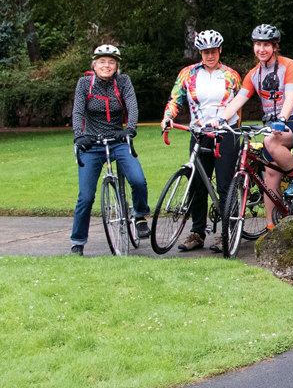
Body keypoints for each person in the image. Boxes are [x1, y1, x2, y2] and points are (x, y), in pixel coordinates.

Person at [161, 30, 242, 252]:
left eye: (214, 51)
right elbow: (175, 99)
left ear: (220, 51)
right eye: (206, 52)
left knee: (226, 183)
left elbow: (238, 105)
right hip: (199, 133)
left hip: (226, 133)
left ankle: (227, 232)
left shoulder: (231, 75)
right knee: (197, 184)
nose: (210, 56)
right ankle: (197, 232)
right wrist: (168, 117)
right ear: (200, 52)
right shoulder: (188, 74)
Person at [69, 44, 150, 255]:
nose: (107, 66)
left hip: (118, 139)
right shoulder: (85, 83)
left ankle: (140, 215)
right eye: (102, 62)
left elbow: (132, 106)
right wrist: (79, 135)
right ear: (94, 65)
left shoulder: (123, 82)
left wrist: (129, 130)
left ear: (117, 66)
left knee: (138, 180)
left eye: (111, 62)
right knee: (85, 197)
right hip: (91, 143)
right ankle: (78, 242)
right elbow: (78, 112)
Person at [217, 25, 293, 198]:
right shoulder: (254, 74)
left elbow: (290, 97)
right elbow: (238, 99)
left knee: (271, 141)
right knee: (269, 174)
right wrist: (220, 119)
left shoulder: (289, 65)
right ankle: (271, 224)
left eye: (267, 45)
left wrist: (282, 119)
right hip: (275, 125)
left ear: (275, 47)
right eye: (258, 44)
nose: (261, 49)